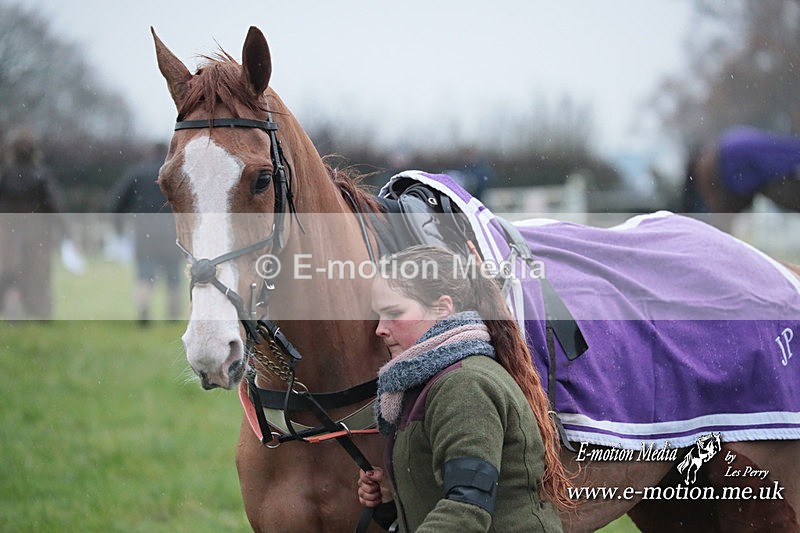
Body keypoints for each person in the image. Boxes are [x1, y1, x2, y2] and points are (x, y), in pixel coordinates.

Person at [357, 245, 570, 532]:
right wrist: (393, 498)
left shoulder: (464, 385)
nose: (380, 329)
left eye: (393, 312)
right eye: (379, 315)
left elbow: (467, 508)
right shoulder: (431, 382)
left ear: (443, 308)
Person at [110, 142, 182, 325]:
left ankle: (143, 314)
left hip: (145, 233)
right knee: (174, 278)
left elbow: (117, 203)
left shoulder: (137, 173)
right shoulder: (176, 174)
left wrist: (119, 230)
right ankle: (173, 318)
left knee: (145, 276)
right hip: (171, 232)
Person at [0, 129, 63, 320]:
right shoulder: (40, 176)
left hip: (7, 232)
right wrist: (65, 229)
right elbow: (53, 205)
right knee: (36, 275)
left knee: (10, 274)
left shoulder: (5, 175)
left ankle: (12, 310)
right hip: (36, 233)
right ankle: (39, 313)